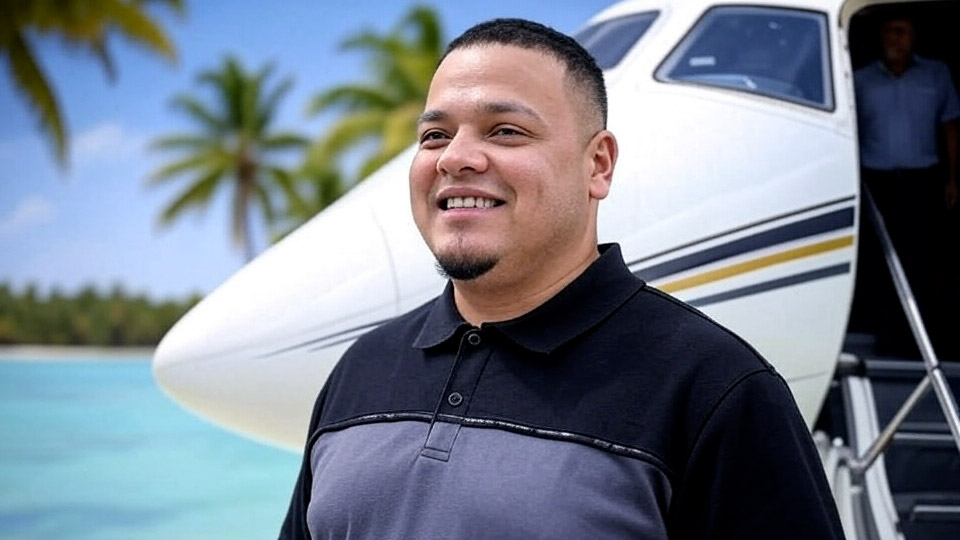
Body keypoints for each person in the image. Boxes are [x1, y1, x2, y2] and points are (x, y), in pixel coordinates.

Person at [279, 18, 845, 540]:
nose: (456, 158)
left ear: (597, 165)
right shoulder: (362, 367)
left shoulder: (715, 386)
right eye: (434, 135)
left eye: (504, 131)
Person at [853, 13, 960, 354]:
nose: (895, 39)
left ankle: (924, 342)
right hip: (876, 184)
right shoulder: (859, 80)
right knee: (880, 263)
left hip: (923, 181)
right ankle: (885, 340)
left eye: (902, 32)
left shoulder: (936, 74)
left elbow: (951, 126)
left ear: (914, 37)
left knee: (924, 260)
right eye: (889, 31)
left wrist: (953, 178)